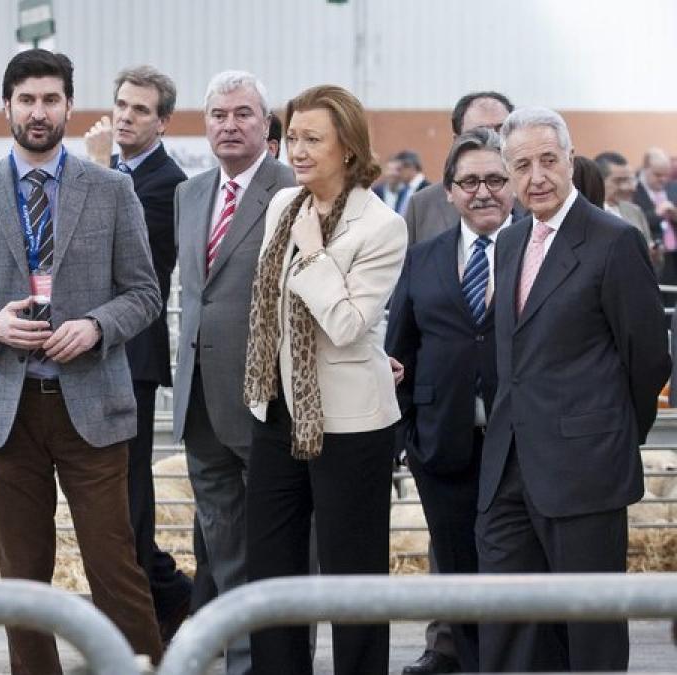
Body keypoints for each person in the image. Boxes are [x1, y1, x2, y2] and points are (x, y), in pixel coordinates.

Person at [0, 49, 164, 674]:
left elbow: (144, 294)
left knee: (115, 567)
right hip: (8, 409)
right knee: (23, 579)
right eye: (27, 99)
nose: (38, 111)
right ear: (7, 105)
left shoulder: (111, 190)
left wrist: (93, 327)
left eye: (50, 99)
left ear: (69, 107)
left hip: (92, 405)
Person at [477, 108, 670, 671]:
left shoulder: (613, 241)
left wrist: (609, 436)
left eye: (547, 161)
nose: (535, 176)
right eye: (521, 166)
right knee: (508, 623)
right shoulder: (510, 242)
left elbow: (648, 357)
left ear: (569, 158)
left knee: (590, 629)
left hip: (585, 470)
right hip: (509, 466)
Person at [243, 84, 406, 675]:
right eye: (292, 138)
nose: (299, 150)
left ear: (348, 149)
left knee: (353, 576)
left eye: (314, 139)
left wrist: (312, 255)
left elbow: (346, 325)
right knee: (271, 573)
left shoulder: (382, 226)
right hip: (276, 412)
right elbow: (269, 311)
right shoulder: (280, 207)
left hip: (351, 425)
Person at [172, 69, 296, 675]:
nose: (230, 124)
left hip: (267, 396)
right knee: (222, 540)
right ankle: (244, 662)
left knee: (278, 543)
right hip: (199, 399)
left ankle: (275, 659)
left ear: (267, 125)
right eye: (218, 115)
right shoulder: (190, 194)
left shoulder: (292, 189)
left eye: (243, 113)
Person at [385, 127, 514, 673]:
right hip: (443, 447)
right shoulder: (424, 258)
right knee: (458, 574)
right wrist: (409, 435)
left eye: (494, 179)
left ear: (512, 186)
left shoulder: (537, 249)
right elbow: (399, 352)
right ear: (450, 192)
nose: (483, 191)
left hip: (519, 447)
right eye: (470, 182)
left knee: (513, 576)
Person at [83, 64, 192, 642]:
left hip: (132, 354)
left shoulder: (166, 184)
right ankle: (157, 598)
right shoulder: (106, 172)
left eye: (140, 109)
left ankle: (160, 601)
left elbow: (127, 259)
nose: (125, 115)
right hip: (84, 350)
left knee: (127, 490)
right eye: (121, 104)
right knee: (107, 494)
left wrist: (100, 170)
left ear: (163, 122)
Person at [404, 92, 514, 247]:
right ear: (457, 141)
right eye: (480, 131)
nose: (493, 140)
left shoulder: (537, 201)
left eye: (501, 132)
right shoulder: (422, 206)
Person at [595, 151, 657, 253]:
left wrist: (654, 256)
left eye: (629, 180)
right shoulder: (590, 214)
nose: (627, 187)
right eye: (618, 181)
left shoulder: (635, 211)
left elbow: (654, 261)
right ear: (599, 179)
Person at [634, 147, 677, 287]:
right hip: (653, 255)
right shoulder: (633, 189)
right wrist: (657, 214)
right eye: (658, 175)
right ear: (646, 168)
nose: (663, 179)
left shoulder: (673, 187)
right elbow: (633, 220)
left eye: (666, 175)